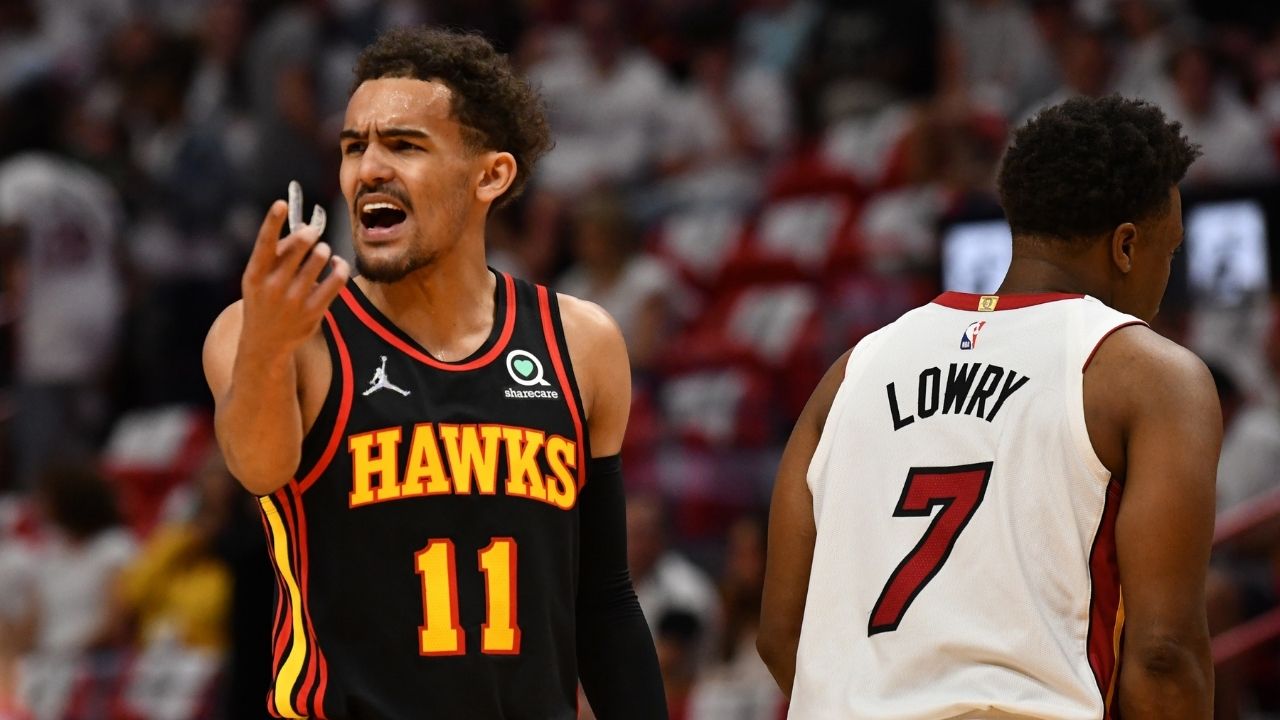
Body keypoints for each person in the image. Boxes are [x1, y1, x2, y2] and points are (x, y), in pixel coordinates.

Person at [202, 27, 666, 720]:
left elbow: (602, 600)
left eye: (404, 145)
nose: (368, 169)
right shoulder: (274, 331)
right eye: (354, 146)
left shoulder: (582, 342)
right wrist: (268, 347)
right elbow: (258, 468)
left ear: (490, 175)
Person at [758, 95, 1218, 719]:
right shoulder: (1150, 376)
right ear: (1127, 247)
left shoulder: (851, 370)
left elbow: (782, 634)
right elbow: (1164, 653)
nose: (1168, 274)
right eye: (1171, 250)